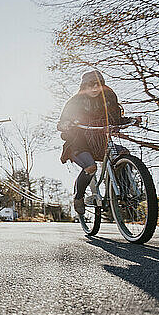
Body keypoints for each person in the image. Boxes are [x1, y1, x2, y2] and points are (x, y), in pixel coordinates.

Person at [57, 70, 133, 215]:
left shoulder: (108, 98)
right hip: (78, 142)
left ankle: (124, 196)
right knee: (91, 167)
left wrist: (129, 120)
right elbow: (61, 122)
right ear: (83, 87)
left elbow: (115, 117)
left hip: (100, 141)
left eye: (97, 85)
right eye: (90, 85)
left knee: (123, 153)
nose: (94, 89)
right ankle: (79, 197)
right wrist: (65, 124)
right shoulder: (75, 101)